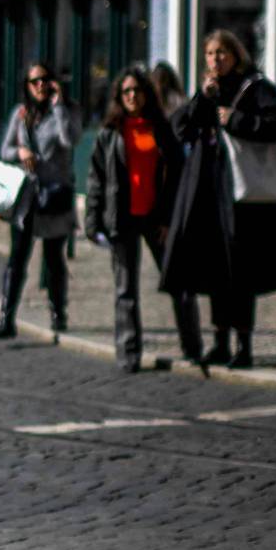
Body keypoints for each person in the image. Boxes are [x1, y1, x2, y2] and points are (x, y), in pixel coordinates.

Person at [162, 29, 276, 370]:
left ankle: (244, 345)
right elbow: (179, 130)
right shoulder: (209, 90)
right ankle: (220, 341)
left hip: (243, 197)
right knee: (213, 268)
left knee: (242, 272)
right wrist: (202, 99)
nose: (215, 60)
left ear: (236, 55)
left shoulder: (257, 88)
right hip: (208, 192)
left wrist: (235, 120)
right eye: (209, 54)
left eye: (222, 53)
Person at [83, 67, 181, 374]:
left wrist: (168, 218)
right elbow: (95, 180)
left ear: (147, 94)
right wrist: (92, 222)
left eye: (137, 90)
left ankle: (192, 346)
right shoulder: (110, 133)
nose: (132, 97)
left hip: (156, 219)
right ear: (118, 97)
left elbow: (176, 175)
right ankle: (129, 353)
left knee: (178, 281)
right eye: (126, 92)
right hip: (121, 219)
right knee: (125, 290)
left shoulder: (160, 129)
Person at [0, 64, 80, 340]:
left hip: (54, 194)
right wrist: (20, 151)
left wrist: (59, 107)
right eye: (34, 82)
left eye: (45, 80)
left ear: (54, 84)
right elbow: (3, 149)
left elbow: (70, 139)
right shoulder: (20, 114)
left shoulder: (67, 111)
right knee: (17, 257)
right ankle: (7, 318)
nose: (40, 85)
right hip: (26, 197)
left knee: (55, 259)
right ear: (27, 86)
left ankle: (58, 313)